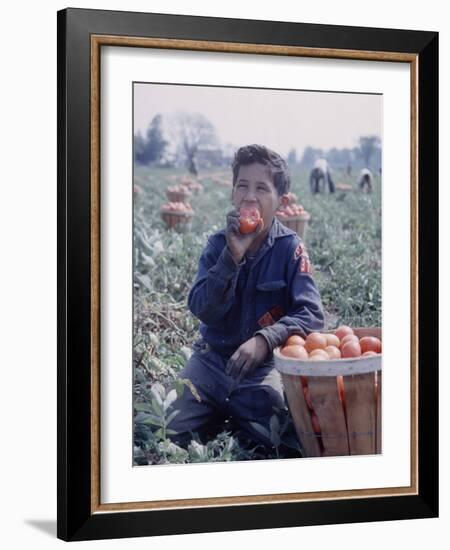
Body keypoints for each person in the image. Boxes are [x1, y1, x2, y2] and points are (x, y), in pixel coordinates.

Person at [168, 144, 325, 455]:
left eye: (261, 188)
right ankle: (217, 415)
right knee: (168, 427)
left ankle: (231, 418)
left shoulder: (290, 249)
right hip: (210, 362)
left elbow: (312, 314)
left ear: (280, 202)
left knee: (281, 435)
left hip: (259, 370)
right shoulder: (216, 245)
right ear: (232, 194)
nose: (250, 196)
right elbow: (201, 308)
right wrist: (231, 257)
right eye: (242, 186)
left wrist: (266, 339)